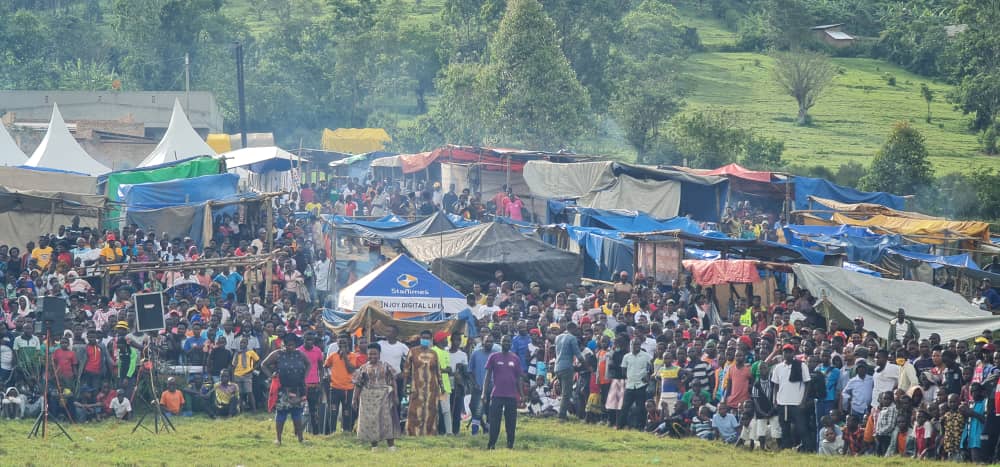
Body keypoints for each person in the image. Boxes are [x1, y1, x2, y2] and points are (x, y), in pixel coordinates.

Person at [260, 334, 309, 445]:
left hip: (297, 389)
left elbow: (309, 364)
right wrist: (271, 376)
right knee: (281, 414)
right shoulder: (277, 354)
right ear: (284, 345)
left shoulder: (300, 354)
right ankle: (278, 439)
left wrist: (304, 378)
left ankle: (300, 438)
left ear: (295, 345)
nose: (289, 347)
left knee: (297, 414)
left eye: (292, 345)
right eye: (287, 345)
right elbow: (263, 364)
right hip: (282, 389)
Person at [352, 342, 400, 451]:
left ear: (379, 354)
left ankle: (391, 446)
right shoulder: (363, 368)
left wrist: (395, 395)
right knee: (371, 421)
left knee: (387, 420)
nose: (372, 356)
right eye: (370, 354)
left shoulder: (386, 365)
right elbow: (358, 385)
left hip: (384, 396)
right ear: (367, 354)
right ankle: (374, 446)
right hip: (368, 398)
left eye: (375, 354)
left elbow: (393, 382)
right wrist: (354, 399)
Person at [483, 335, 523, 449]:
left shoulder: (515, 358)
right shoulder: (494, 357)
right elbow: (487, 376)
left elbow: (519, 378)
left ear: (511, 344)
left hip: (511, 396)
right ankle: (491, 445)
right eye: (504, 341)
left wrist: (521, 394)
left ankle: (510, 444)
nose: (506, 343)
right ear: (500, 342)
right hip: (497, 395)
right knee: (494, 421)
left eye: (508, 341)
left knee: (511, 422)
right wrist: (483, 393)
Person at [770, 343, 810, 451]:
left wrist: (803, 401)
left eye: (790, 352)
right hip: (782, 402)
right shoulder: (778, 367)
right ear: (782, 353)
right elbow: (775, 385)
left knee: (801, 428)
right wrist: (775, 400)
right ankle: (786, 448)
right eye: (785, 351)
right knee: (784, 427)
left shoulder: (801, 365)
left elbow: (807, 384)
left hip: (797, 402)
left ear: (793, 353)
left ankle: (806, 448)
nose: (787, 354)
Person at [405, 330, 442, 436]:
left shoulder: (434, 353)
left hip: (432, 388)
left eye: (427, 338)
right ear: (420, 338)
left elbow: (438, 371)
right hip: (416, 387)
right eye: (423, 337)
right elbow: (406, 370)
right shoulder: (413, 351)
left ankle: (430, 433)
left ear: (430, 340)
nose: (425, 339)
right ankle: (413, 433)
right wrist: (405, 387)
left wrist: (441, 387)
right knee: (415, 410)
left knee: (431, 410)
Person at [324, 332, 356, 434]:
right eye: (340, 344)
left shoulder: (353, 356)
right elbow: (325, 366)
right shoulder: (333, 356)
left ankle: (346, 431)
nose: (342, 346)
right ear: (337, 343)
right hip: (334, 388)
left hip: (348, 389)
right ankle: (332, 431)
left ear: (348, 344)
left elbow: (351, 370)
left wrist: (345, 357)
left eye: (344, 344)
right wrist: (327, 375)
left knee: (346, 412)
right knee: (333, 411)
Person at [618, 337, 652, 430]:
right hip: (630, 385)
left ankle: (640, 426)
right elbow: (623, 370)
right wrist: (629, 377)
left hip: (641, 385)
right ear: (630, 345)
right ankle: (620, 426)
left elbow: (652, 367)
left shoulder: (646, 356)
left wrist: (648, 376)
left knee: (640, 407)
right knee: (625, 407)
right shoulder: (626, 356)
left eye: (637, 344)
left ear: (640, 345)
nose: (635, 346)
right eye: (633, 344)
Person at [554, 322, 585, 421]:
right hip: (567, 367)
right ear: (573, 329)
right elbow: (578, 355)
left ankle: (562, 412)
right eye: (576, 330)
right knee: (566, 393)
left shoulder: (558, 337)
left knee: (564, 392)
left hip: (557, 367)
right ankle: (562, 415)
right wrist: (586, 365)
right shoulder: (572, 338)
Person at [231, 336, 259, 412]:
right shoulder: (237, 353)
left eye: (244, 343)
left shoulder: (251, 352)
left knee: (249, 392)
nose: (242, 344)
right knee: (239, 393)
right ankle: (241, 410)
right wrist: (233, 376)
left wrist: (253, 368)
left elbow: (258, 361)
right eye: (241, 343)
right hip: (237, 374)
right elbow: (233, 365)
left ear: (247, 344)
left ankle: (254, 409)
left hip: (247, 375)